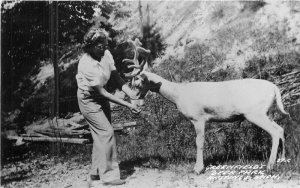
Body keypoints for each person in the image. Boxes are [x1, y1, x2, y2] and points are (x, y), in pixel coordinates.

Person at [76, 28, 140, 186]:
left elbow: (116, 78)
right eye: (101, 46)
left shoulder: (106, 54)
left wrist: (130, 93)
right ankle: (110, 177)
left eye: (106, 45)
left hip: (100, 96)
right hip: (88, 99)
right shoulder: (86, 64)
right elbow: (103, 92)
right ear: (91, 46)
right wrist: (127, 104)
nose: (105, 48)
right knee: (106, 133)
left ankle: (95, 173)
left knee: (101, 136)